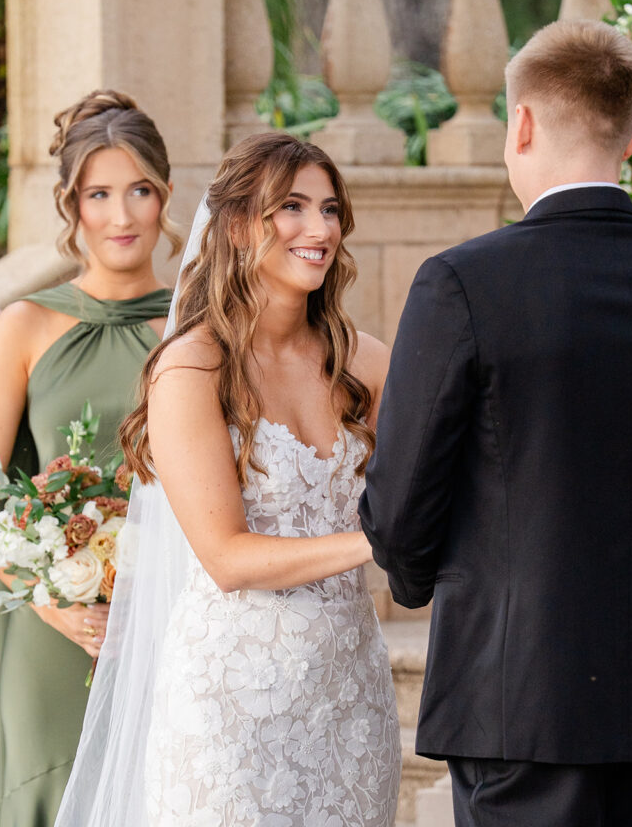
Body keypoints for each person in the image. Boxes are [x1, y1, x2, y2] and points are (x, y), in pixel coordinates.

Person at [359, 19, 632, 827]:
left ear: (523, 124)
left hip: (519, 699)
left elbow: (399, 509)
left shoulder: (462, 284)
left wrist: (413, 578)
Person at [54, 131, 401, 827]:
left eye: (330, 209)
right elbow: (226, 558)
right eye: (293, 208)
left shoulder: (367, 361)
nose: (319, 228)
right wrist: (376, 541)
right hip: (231, 697)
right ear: (239, 225)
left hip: (348, 692)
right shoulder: (193, 368)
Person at [0, 89, 180, 827]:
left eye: (140, 190)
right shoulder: (26, 325)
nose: (123, 215)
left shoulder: (196, 329)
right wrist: (43, 592)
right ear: (70, 203)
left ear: (166, 197)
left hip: (168, 620)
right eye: (99, 193)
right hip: (47, 628)